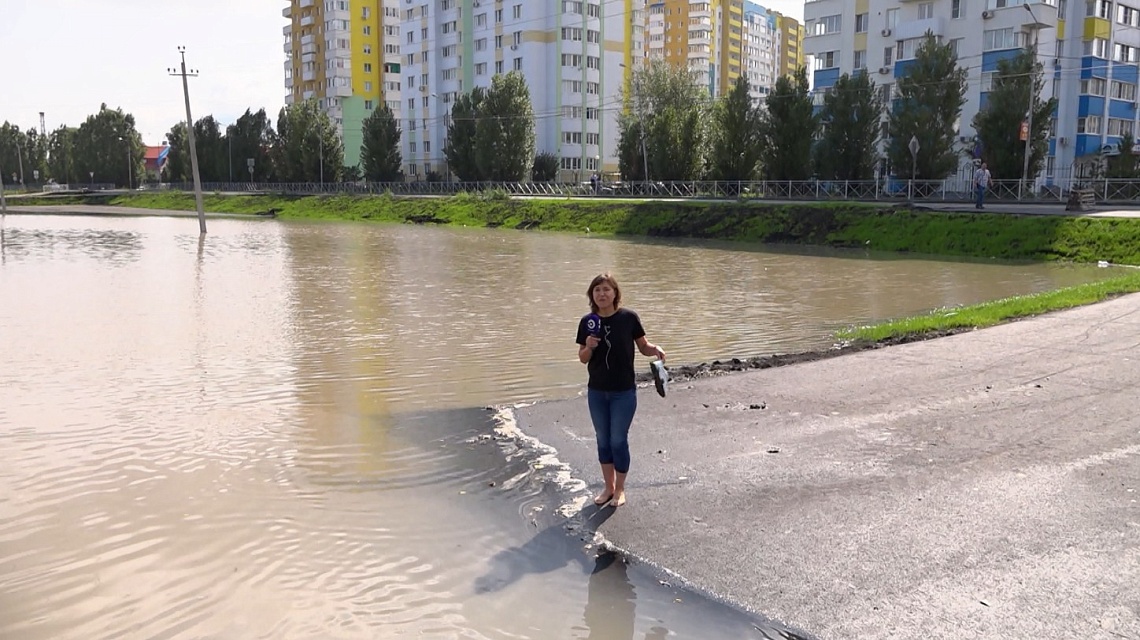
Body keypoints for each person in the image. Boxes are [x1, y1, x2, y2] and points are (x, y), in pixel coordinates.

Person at [576, 273, 665, 509]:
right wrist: (590, 346)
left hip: (623, 392)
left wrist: (655, 349)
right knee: (602, 440)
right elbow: (582, 358)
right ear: (591, 295)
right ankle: (608, 488)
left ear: (615, 293)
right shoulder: (588, 321)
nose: (601, 294)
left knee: (617, 439)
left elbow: (643, 346)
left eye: (606, 289)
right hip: (596, 391)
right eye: (597, 290)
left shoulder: (628, 318)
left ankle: (621, 489)